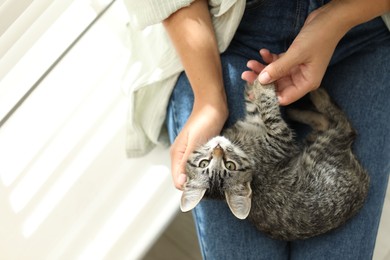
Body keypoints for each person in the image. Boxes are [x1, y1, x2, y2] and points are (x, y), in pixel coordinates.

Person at [125, 0, 390, 259]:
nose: (217, 153)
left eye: (207, 160)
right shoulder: (235, 174)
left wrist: (337, 18)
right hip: (228, 28)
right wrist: (209, 101)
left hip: (366, 25)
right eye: (223, 164)